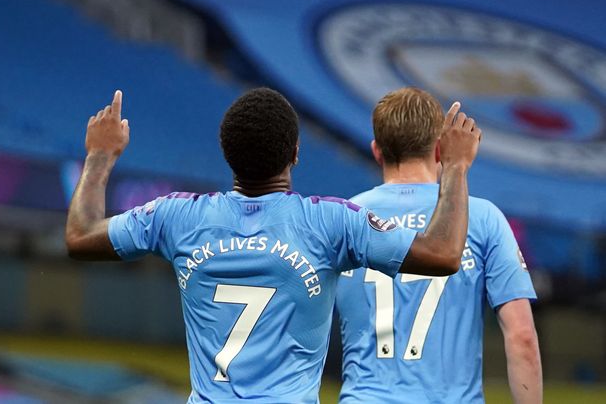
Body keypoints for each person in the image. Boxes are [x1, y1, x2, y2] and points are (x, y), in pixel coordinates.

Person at [65, 87, 480, 403]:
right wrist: (456, 167)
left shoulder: (176, 217)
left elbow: (81, 236)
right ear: (296, 153)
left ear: (227, 154)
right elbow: (442, 254)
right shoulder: (332, 222)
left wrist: (100, 156)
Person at [335, 87, 542, 404]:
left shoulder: (343, 219)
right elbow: (522, 337)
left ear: (377, 151)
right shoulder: (483, 218)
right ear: (438, 150)